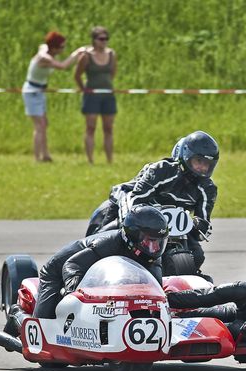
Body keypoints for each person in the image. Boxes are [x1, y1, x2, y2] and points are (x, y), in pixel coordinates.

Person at [3, 205, 169, 336]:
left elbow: (155, 292)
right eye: (149, 241)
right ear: (133, 236)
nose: (154, 248)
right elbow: (72, 265)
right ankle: (17, 315)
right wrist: (74, 291)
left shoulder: (152, 256)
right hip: (59, 271)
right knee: (43, 328)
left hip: (97, 277)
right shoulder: (108, 243)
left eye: (159, 242)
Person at [86, 131, 219, 271]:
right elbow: (136, 198)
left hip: (171, 229)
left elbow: (204, 225)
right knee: (107, 239)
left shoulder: (208, 188)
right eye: (199, 161)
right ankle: (90, 260)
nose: (203, 168)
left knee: (197, 255)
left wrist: (198, 224)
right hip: (140, 216)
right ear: (186, 156)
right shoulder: (162, 170)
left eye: (207, 164)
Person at [22, 31, 85, 162]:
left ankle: (45, 155)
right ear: (54, 47)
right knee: (39, 126)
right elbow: (62, 66)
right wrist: (77, 53)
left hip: (40, 91)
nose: (63, 49)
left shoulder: (45, 51)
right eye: (62, 47)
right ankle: (37, 158)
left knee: (44, 124)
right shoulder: (45, 58)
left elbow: (42, 46)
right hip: (32, 91)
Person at [74, 26, 118, 164]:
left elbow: (113, 73)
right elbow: (77, 75)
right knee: (91, 127)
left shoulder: (111, 54)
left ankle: (109, 160)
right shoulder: (86, 56)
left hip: (108, 95)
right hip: (92, 95)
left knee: (108, 128)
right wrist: (83, 89)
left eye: (106, 38)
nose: (104, 41)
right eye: (101, 39)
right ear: (94, 40)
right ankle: (90, 160)